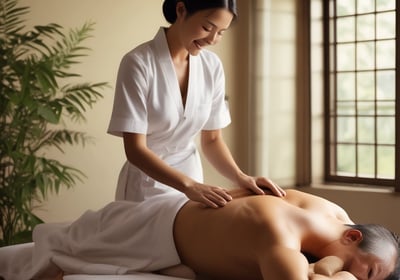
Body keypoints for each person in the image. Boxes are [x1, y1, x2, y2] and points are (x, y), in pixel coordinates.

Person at [107, 0, 286, 207]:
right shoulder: (138, 63)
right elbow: (135, 150)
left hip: (193, 184)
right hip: (147, 186)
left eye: (221, 32)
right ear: (181, 10)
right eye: (207, 27)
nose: (212, 39)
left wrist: (241, 177)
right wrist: (188, 186)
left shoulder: (212, 66)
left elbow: (212, 140)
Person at [172, 188, 400, 280]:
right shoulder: (282, 239)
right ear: (352, 237)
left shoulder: (335, 214)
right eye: (369, 273)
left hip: (178, 201)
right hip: (155, 236)